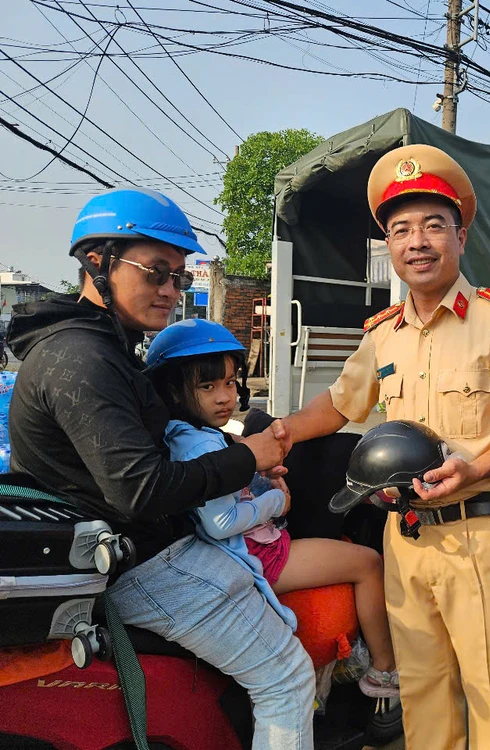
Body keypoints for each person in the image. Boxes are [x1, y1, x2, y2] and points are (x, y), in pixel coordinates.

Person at [274, 144, 490, 749]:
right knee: (424, 689)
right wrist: (275, 436)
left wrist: (477, 466)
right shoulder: (384, 336)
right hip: (405, 537)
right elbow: (338, 405)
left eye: (434, 225)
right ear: (389, 246)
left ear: (461, 234)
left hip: (480, 533)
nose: (418, 242)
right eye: (401, 230)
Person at [7, 188, 315, 749]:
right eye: (155, 273)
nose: (171, 291)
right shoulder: (83, 358)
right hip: (145, 562)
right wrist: (252, 457)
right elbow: (141, 491)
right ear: (97, 262)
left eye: (177, 276)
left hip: (144, 550)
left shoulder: (107, 345)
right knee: (287, 676)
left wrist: (243, 469)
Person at [145, 318, 399, 698]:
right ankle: (385, 670)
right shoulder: (199, 445)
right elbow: (220, 523)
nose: (223, 397)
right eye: (207, 386)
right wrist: (276, 502)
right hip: (257, 554)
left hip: (249, 547)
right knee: (367, 563)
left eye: (229, 383)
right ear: (174, 391)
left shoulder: (196, 435)